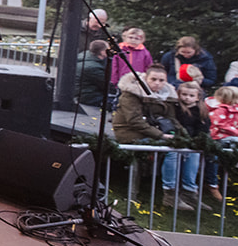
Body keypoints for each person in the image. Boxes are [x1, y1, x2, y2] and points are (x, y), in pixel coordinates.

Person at [111, 66, 195, 209]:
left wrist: (186, 137)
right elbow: (134, 121)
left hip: (156, 130)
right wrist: (161, 135)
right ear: (146, 78)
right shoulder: (131, 92)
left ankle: (189, 191)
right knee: (172, 151)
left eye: (161, 80)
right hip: (131, 132)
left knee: (193, 151)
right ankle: (170, 194)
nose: (157, 83)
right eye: (153, 79)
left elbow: (172, 119)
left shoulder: (167, 94)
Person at [76, 39, 112, 107]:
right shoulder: (93, 67)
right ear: (102, 52)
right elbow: (106, 85)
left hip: (81, 93)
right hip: (89, 96)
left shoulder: (84, 57)